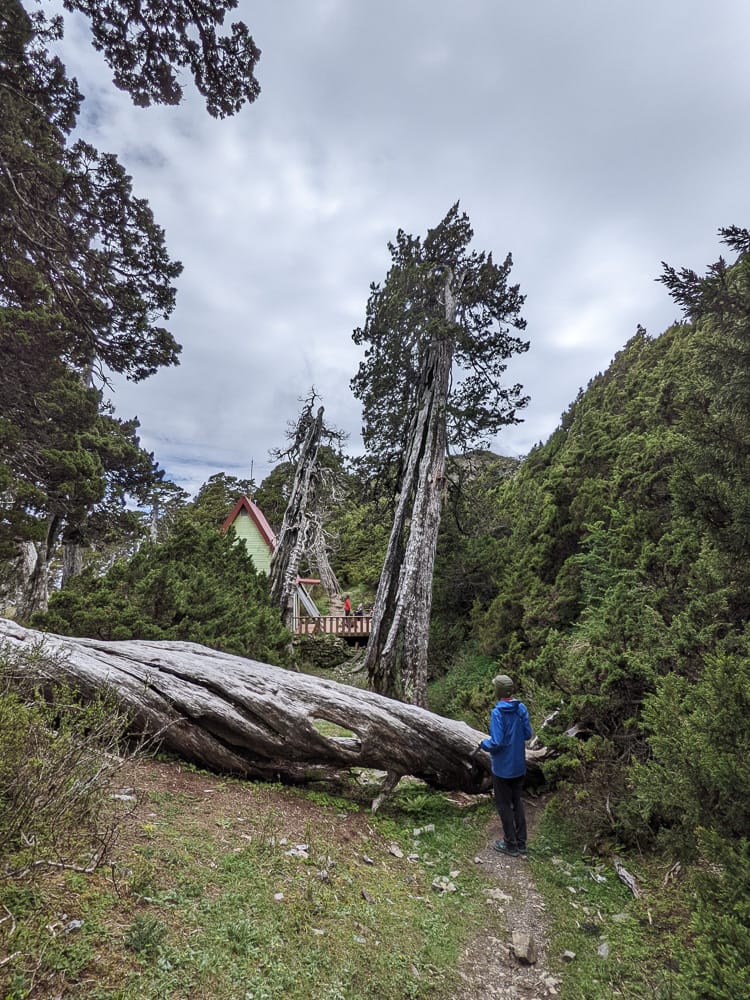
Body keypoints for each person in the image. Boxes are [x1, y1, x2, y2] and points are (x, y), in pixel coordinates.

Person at [479, 673, 533, 858]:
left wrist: (483, 744)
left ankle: (510, 844)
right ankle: (521, 842)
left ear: (498, 691)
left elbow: (497, 742)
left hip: (502, 768)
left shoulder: (497, 713)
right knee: (517, 802)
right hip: (519, 766)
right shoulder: (521, 708)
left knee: (503, 805)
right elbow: (528, 734)